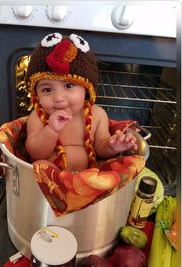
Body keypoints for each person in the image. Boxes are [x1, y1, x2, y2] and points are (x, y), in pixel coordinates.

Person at [25, 33, 137, 172]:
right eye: (47, 89)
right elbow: (35, 153)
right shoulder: (38, 117)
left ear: (87, 89)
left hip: (87, 180)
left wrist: (112, 146)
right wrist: (51, 130)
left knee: (110, 170)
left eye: (69, 86)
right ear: (36, 95)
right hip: (52, 185)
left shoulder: (97, 114)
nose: (59, 97)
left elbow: (100, 149)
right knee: (41, 166)